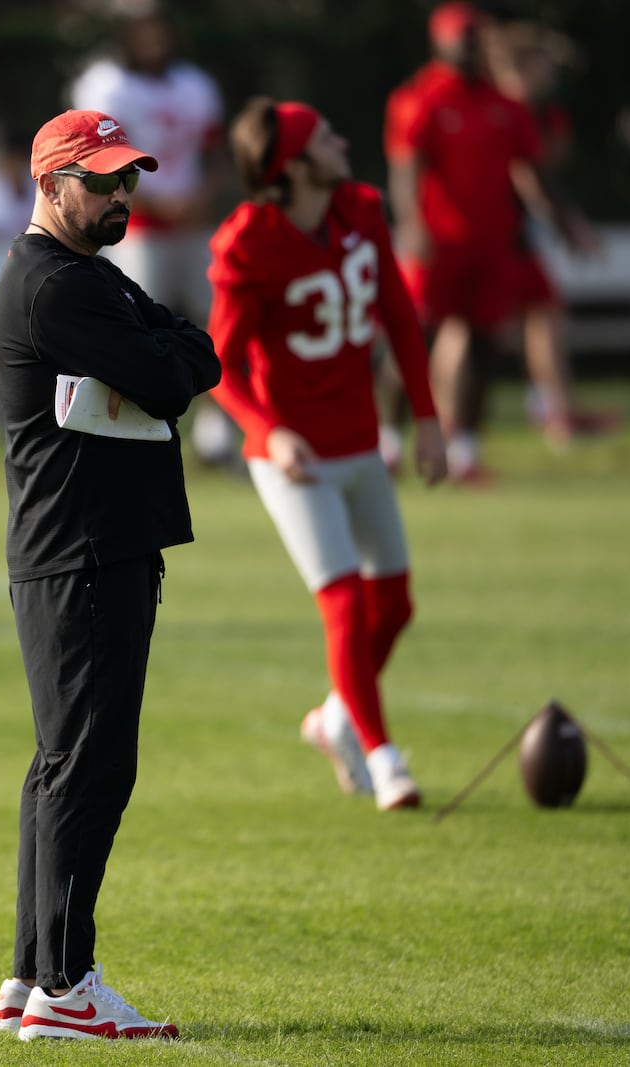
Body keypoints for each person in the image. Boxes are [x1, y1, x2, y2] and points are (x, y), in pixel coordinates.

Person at [0, 109, 220, 1041]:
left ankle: (32, 976)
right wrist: (171, 354)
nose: (123, 194)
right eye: (103, 179)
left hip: (80, 550)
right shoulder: (59, 289)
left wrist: (172, 350)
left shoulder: (82, 277)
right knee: (88, 768)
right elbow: (175, 375)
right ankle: (66, 983)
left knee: (60, 768)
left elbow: (188, 345)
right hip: (85, 552)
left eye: (130, 177)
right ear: (52, 185)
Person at [206, 97, 447, 811]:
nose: (341, 139)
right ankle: (383, 756)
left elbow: (399, 315)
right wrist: (269, 428)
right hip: (292, 454)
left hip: (358, 437)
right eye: (324, 135)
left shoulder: (359, 208)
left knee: (394, 605)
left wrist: (428, 418)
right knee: (342, 599)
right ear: (296, 166)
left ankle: (335, 719)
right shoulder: (249, 240)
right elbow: (218, 361)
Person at [385, 1, 593, 483]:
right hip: (438, 246)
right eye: (465, 38)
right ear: (442, 43)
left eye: (479, 38)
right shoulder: (422, 98)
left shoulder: (505, 104)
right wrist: (413, 226)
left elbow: (535, 172)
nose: (474, 47)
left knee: (484, 346)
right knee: (414, 339)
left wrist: (567, 225)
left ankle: (465, 451)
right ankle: (390, 443)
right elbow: (406, 169)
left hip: (492, 244)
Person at [67, 8, 239, 468]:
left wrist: (201, 196)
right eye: (145, 31)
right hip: (134, 224)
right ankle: (121, 428)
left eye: (162, 29)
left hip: (194, 222)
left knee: (221, 322)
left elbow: (215, 154)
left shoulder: (195, 84)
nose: (156, 40)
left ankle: (216, 431)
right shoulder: (106, 84)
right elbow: (93, 161)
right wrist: (154, 202)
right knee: (128, 330)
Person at [486, 18, 616, 449]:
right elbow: (528, 176)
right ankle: (458, 427)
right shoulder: (506, 109)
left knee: (543, 314)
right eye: (543, 62)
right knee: (477, 332)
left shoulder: (537, 111)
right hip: (493, 236)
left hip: (514, 236)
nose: (551, 71)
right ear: (521, 65)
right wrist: (570, 227)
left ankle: (553, 408)